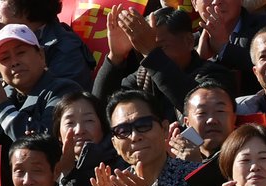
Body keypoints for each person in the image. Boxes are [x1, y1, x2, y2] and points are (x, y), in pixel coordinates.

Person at [95, 7, 224, 123]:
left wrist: (152, 53)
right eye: (145, 45)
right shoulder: (142, 77)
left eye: (161, 47)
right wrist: (115, 56)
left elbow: (196, 104)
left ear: (189, 41)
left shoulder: (215, 75)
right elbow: (99, 114)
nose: (153, 53)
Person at [0, 0, 96, 88]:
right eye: (5, 58)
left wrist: (4, 107)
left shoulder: (66, 50)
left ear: (26, 8)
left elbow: (63, 102)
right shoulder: (2, 40)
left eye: (3, 0)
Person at [52, 91, 124, 186]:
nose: (79, 130)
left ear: (103, 126)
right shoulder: (50, 167)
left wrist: (69, 173)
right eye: (70, 122)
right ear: (59, 134)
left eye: (89, 120)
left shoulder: (117, 168)